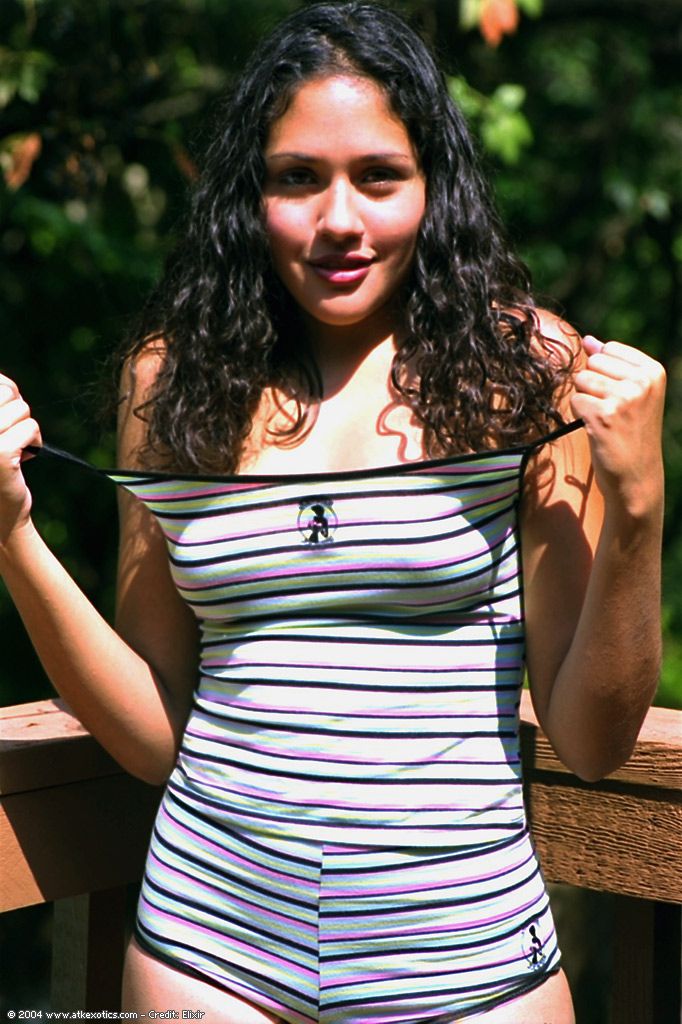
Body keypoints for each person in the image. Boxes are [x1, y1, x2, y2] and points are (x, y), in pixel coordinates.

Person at [0, 2, 666, 1021]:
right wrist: (13, 537)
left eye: (379, 176)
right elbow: (154, 730)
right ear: (250, 193)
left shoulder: (525, 375)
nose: (339, 219)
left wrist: (639, 508)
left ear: (434, 187)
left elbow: (589, 739)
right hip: (206, 954)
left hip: (468, 969)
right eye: (298, 178)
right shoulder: (171, 383)